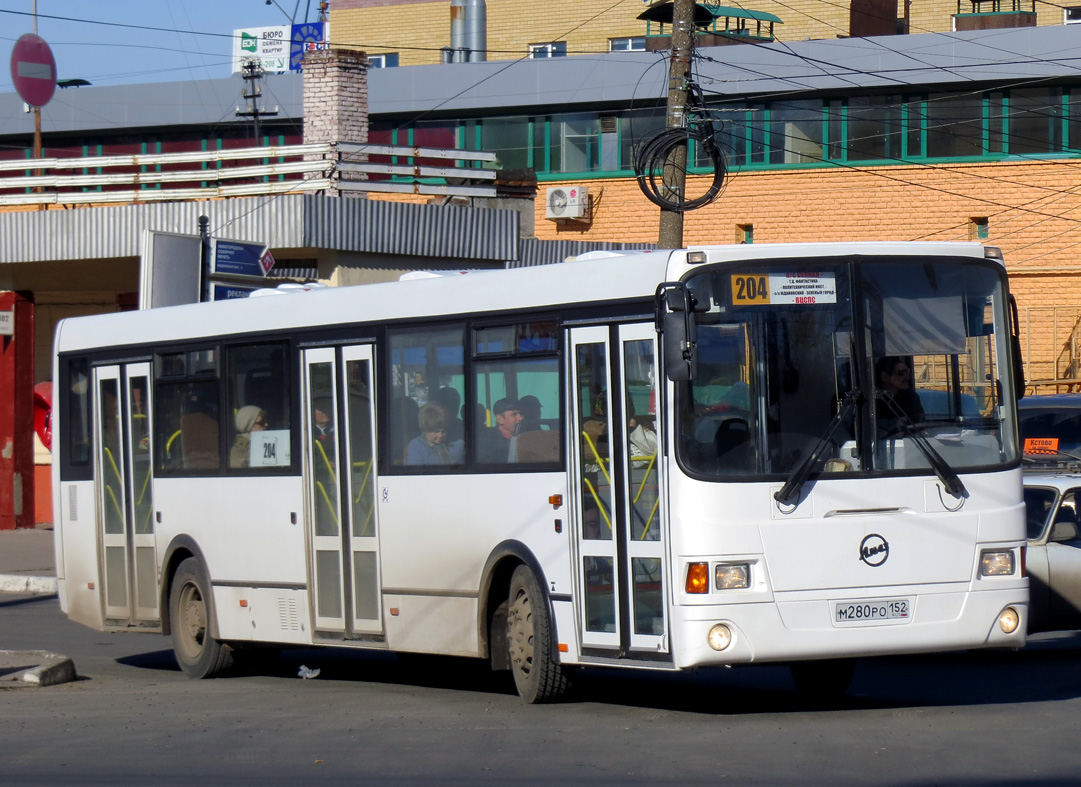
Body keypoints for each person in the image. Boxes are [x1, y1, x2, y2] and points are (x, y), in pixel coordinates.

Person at [875, 356, 924, 428]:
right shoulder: (874, 401)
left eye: (907, 371)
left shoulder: (911, 398)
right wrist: (894, 423)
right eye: (901, 373)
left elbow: (920, 422)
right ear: (885, 376)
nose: (907, 377)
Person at [477, 397, 522, 463]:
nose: (520, 418)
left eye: (520, 414)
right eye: (514, 414)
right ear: (500, 419)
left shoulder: (526, 438)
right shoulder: (488, 442)